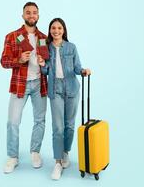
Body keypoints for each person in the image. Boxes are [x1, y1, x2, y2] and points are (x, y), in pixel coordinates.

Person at [38, 18, 91, 180]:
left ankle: (66, 152)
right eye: (53, 28)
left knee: (69, 126)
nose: (56, 31)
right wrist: (41, 63)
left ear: (63, 30)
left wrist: (83, 71)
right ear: (50, 30)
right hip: (55, 90)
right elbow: (46, 71)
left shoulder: (71, 47)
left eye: (59, 28)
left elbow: (76, 67)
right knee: (58, 127)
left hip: (72, 89)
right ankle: (58, 161)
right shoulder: (45, 48)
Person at [0, 2, 48, 173]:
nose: (31, 15)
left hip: (39, 84)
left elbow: (49, 63)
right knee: (12, 121)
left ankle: (35, 152)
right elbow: (3, 61)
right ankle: (13, 157)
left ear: (38, 16)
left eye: (34, 13)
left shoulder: (44, 37)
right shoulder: (12, 36)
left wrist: (44, 64)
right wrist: (18, 60)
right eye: (28, 13)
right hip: (20, 84)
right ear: (22, 16)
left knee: (40, 121)